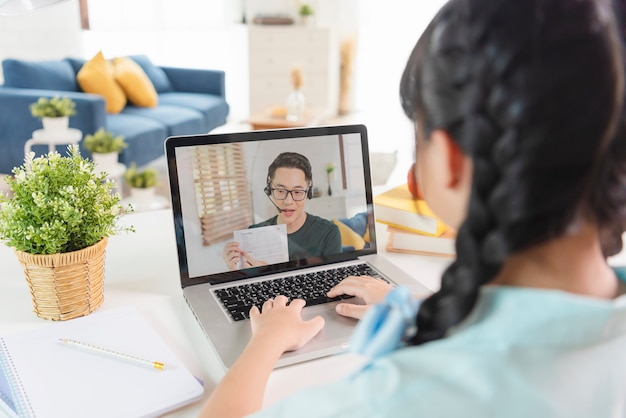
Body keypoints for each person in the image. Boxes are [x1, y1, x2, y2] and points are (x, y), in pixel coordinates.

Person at [202, 0, 626, 416]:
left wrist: (266, 341)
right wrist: (424, 309)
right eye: (280, 191)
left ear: (451, 160)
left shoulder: (391, 400)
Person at [222, 152, 342, 270]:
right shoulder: (253, 234)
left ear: (308, 192)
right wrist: (235, 272)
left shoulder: (329, 233)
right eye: (280, 191)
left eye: (297, 192)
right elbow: (247, 285)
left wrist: (268, 272)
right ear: (269, 190)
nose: (288, 201)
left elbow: (331, 285)